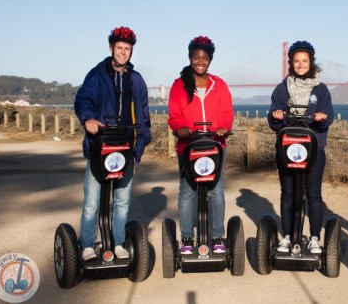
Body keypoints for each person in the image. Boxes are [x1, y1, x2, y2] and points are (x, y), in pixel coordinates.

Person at [74, 26, 151, 261]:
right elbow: (83, 99)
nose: (123, 52)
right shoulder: (97, 75)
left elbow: (144, 114)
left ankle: (117, 242)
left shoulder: (136, 80)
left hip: (125, 146)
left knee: (122, 201)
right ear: (111, 48)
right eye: (119, 48)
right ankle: (87, 245)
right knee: (92, 201)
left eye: (127, 49)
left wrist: (143, 139)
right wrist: (88, 118)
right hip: (101, 144)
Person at [168, 36, 234, 254]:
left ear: (210, 60)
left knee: (216, 191)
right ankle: (187, 238)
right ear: (189, 58)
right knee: (187, 191)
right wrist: (180, 128)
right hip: (189, 147)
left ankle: (217, 237)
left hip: (215, 145)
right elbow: (174, 115)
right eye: (196, 57)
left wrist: (223, 126)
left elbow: (226, 113)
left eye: (205, 57)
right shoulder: (179, 85)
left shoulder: (220, 85)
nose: (200, 61)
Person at [268, 41, 334, 254]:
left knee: (313, 194)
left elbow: (328, 117)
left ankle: (314, 237)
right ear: (291, 63)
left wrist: (322, 118)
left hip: (314, 150)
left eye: (304, 61)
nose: (300, 64)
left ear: (311, 62)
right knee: (287, 193)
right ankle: (287, 236)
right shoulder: (281, 88)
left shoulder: (321, 89)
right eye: (296, 61)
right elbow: (273, 120)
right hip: (288, 149)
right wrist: (276, 116)